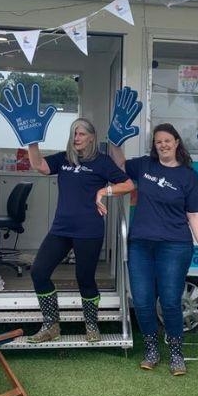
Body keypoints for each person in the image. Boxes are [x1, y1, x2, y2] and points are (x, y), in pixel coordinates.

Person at [110, 123, 198, 375]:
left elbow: (194, 214)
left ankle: (177, 354)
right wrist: (115, 137)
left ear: (177, 142)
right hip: (141, 245)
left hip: (175, 246)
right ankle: (151, 350)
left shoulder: (188, 176)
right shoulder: (145, 165)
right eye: (158, 141)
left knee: (169, 301)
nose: (163, 145)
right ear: (154, 145)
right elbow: (119, 164)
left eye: (167, 140)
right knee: (143, 301)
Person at [26, 118, 135, 343]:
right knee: (39, 271)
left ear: (92, 137)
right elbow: (39, 166)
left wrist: (104, 192)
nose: (76, 138)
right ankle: (51, 325)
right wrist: (31, 142)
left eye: (81, 134)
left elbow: (128, 184)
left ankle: (92, 325)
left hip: (89, 230)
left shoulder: (102, 162)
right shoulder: (64, 159)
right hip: (61, 228)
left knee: (84, 278)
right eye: (74, 133)